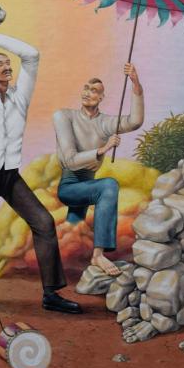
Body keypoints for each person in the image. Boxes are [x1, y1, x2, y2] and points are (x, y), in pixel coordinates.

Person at [0, 2, 80, 314]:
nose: (7, 67)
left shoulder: (20, 97)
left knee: (43, 222)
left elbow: (32, 56)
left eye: (8, 63)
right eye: (0, 63)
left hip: (9, 175)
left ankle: (51, 294)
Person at [53, 64, 144, 276]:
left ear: (101, 98)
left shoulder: (105, 123)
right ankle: (98, 255)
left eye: (94, 90)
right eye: (86, 88)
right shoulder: (64, 116)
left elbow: (135, 121)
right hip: (69, 185)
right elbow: (70, 160)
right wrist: (103, 149)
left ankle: (65, 261)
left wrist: (135, 83)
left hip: (88, 184)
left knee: (73, 231)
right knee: (108, 186)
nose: (88, 93)